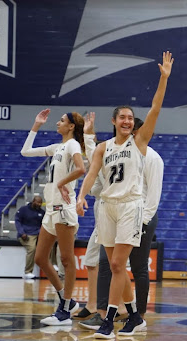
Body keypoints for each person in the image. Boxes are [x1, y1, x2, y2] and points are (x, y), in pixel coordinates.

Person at [76, 51, 173, 339]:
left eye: (131, 118)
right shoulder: (103, 148)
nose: (128, 121)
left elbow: (155, 107)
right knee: (115, 265)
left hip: (131, 206)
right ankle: (134, 316)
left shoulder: (140, 142)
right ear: (115, 121)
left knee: (118, 264)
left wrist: (163, 78)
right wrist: (81, 196)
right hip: (107, 206)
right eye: (123, 117)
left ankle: (108, 321)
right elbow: (92, 175)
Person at [81, 116, 164, 331]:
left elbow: (153, 195)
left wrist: (143, 221)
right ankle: (109, 313)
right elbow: (96, 166)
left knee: (138, 268)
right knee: (110, 264)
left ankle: (139, 315)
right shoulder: (116, 150)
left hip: (140, 215)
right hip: (114, 212)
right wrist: (89, 137)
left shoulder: (153, 158)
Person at [21, 109, 86, 326]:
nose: (57, 123)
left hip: (64, 208)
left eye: (61, 121)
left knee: (66, 260)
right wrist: (36, 125)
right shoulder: (57, 147)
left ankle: (65, 312)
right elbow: (26, 151)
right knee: (40, 259)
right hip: (51, 210)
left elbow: (81, 169)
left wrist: (60, 184)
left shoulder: (73, 145)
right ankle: (67, 301)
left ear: (70, 127)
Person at [73, 112, 104, 320]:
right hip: (101, 216)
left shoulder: (103, 160)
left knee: (114, 265)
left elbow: (93, 155)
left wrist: (89, 134)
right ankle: (93, 304)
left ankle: (115, 309)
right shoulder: (96, 164)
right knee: (92, 260)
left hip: (112, 214)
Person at [15, 195, 45, 279]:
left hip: (38, 234)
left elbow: (43, 224)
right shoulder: (23, 209)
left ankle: (52, 266)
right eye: (37, 202)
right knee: (32, 249)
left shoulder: (42, 212)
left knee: (51, 245)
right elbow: (17, 221)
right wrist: (22, 232)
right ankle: (27, 272)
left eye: (40, 203)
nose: (39, 204)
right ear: (33, 201)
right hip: (26, 235)